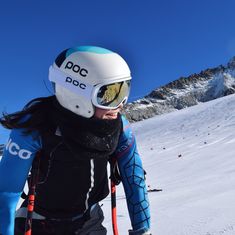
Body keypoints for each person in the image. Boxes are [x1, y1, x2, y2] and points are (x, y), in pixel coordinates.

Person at [0, 46, 151, 235]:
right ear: (77, 95)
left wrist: (143, 230)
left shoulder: (119, 128)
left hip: (89, 221)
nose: (120, 104)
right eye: (109, 95)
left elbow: (134, 179)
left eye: (123, 90)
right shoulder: (36, 126)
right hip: (38, 224)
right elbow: (5, 194)